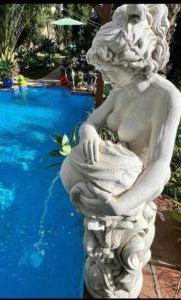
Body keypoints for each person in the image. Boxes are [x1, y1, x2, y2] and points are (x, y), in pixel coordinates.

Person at [60, 4, 181, 298]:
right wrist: (87, 132)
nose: (104, 75)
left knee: (120, 266)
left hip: (131, 191)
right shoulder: (120, 90)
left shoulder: (166, 97)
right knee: (97, 250)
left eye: (110, 69)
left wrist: (121, 205)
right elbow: (91, 122)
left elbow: (160, 167)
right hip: (109, 177)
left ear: (133, 62)